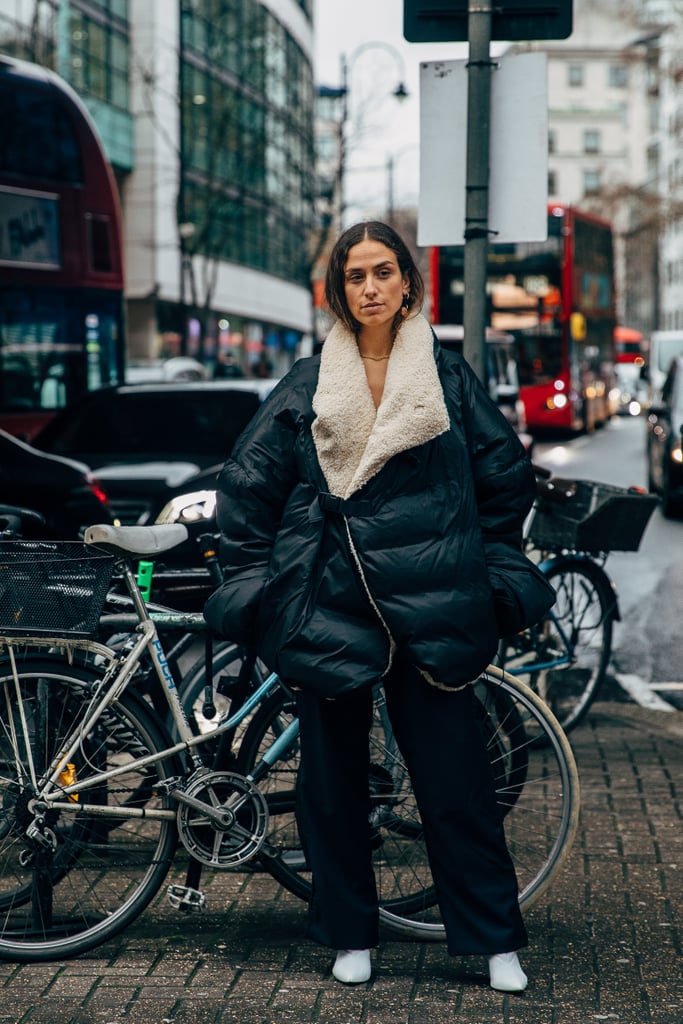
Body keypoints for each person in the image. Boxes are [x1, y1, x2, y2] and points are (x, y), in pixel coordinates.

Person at [204, 221, 555, 993]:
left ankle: (494, 940)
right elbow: (247, 493)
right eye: (354, 275)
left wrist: (493, 576)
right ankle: (347, 930)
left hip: (431, 603)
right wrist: (259, 594)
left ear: (407, 286)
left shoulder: (448, 378)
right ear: (339, 289)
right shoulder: (305, 382)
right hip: (330, 603)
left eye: (383, 272)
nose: (368, 287)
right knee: (332, 789)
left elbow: (504, 485)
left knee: (456, 785)